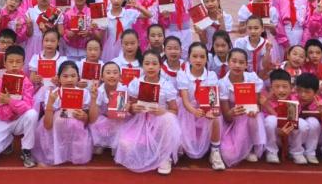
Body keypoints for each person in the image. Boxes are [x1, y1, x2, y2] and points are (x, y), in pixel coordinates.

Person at [113, 50, 180, 174]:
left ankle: (164, 157)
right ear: (142, 65)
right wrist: (133, 108)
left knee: (168, 118)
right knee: (125, 144)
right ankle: (148, 152)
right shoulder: (136, 83)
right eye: (147, 63)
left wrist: (163, 111)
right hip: (140, 122)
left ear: (160, 66)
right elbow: (130, 106)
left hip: (160, 123)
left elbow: (174, 110)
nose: (150, 67)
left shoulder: (166, 85)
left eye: (154, 64)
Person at [0, 45, 39, 168]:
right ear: (5, 64)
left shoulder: (27, 82)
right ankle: (7, 141)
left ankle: (26, 150)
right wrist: (12, 110)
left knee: (32, 114)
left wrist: (9, 101)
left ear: (23, 64)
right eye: (11, 62)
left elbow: (27, 106)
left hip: (20, 120)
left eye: (18, 62)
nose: (14, 65)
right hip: (3, 121)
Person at [33, 60, 93, 165]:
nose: (69, 79)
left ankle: (73, 154)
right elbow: (47, 125)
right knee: (60, 119)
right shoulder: (53, 94)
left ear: (78, 77)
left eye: (73, 76)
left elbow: (87, 122)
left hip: (75, 128)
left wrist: (84, 117)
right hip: (55, 128)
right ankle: (55, 153)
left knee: (75, 123)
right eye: (65, 76)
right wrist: (50, 103)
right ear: (59, 78)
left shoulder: (84, 93)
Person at [176, 42, 225, 170]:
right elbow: (185, 100)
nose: (198, 60)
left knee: (215, 118)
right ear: (189, 58)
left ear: (206, 59)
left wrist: (210, 111)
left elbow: (212, 100)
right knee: (179, 144)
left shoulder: (211, 75)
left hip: (205, 109)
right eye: (195, 56)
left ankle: (215, 151)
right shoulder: (182, 74)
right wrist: (194, 110)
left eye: (202, 57)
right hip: (188, 110)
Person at [218, 48, 265, 166]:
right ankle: (243, 149)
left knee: (254, 118)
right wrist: (232, 112)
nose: (237, 65)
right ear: (228, 62)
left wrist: (255, 110)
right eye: (234, 61)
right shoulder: (223, 83)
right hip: (232, 122)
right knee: (228, 154)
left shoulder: (252, 78)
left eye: (241, 62)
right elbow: (227, 116)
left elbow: (257, 105)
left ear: (246, 65)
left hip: (250, 116)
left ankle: (253, 147)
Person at [88, 62, 128, 155]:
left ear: (120, 77)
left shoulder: (123, 90)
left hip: (117, 120)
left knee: (120, 127)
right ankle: (101, 143)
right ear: (102, 77)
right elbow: (92, 119)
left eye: (115, 73)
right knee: (95, 123)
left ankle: (114, 144)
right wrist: (94, 99)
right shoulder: (98, 91)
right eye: (108, 72)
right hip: (102, 119)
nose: (112, 76)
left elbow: (120, 115)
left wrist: (127, 108)